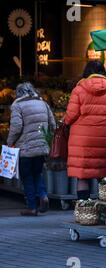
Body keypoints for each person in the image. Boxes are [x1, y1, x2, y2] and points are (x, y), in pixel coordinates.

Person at [64, 61, 106, 200]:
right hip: (103, 141)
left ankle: (84, 209)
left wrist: (64, 122)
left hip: (82, 142)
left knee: (82, 177)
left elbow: (70, 116)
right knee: (102, 176)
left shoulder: (79, 90)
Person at [7, 82, 56, 216]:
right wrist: (46, 140)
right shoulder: (43, 103)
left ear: (19, 93)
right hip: (41, 147)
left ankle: (32, 207)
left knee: (27, 176)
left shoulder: (17, 106)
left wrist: (9, 142)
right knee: (37, 173)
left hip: (25, 148)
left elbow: (16, 127)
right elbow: (53, 124)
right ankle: (43, 194)